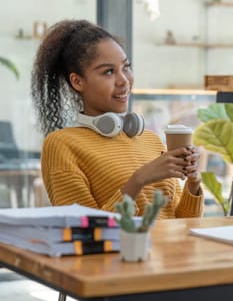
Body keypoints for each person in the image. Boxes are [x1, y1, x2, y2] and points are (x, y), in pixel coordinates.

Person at [31, 19, 203, 218]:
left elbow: (180, 224)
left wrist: (193, 184)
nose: (124, 80)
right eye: (109, 72)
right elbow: (84, 228)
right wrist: (138, 180)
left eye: (126, 67)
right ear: (77, 81)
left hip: (170, 249)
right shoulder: (62, 145)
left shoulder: (151, 140)